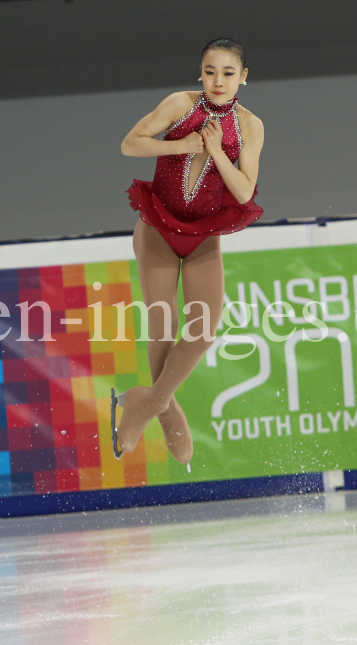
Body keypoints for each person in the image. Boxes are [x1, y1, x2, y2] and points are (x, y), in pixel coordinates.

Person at [112, 37, 264, 465]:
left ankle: (147, 402)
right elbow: (130, 143)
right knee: (163, 327)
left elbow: (245, 190)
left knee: (201, 333)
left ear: (244, 77)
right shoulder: (181, 103)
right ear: (200, 72)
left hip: (203, 237)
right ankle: (163, 408)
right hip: (158, 228)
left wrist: (215, 149)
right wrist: (180, 145)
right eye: (211, 71)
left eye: (228, 73)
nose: (218, 81)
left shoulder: (251, 126)